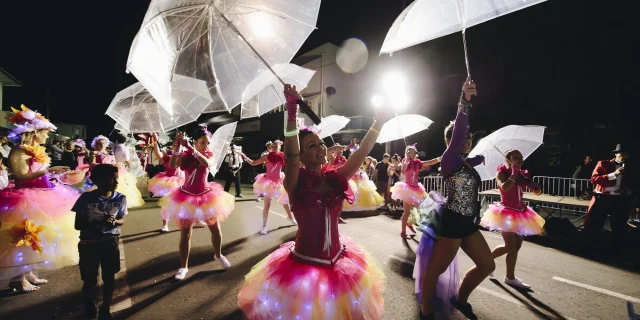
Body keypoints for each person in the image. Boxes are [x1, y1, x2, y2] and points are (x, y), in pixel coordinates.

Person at [237, 84, 385, 319]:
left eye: (320, 142)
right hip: (304, 269)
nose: (320, 147)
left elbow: (360, 155)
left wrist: (378, 123)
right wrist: (292, 112)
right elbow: (291, 157)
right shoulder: (295, 183)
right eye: (312, 145)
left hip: (340, 262)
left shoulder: (335, 179)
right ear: (301, 154)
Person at [418, 77, 494, 320]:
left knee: (487, 266)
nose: (467, 138)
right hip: (452, 224)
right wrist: (465, 101)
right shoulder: (449, 159)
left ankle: (460, 298)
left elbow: (471, 160)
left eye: (469, 137)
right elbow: (460, 130)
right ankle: (426, 308)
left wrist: (480, 159)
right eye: (462, 137)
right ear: (452, 141)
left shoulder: (463, 161)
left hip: (469, 224)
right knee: (435, 270)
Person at [0, 105, 78, 293]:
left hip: (42, 195)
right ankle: (18, 279)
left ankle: (28, 272)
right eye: (45, 132)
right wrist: (48, 170)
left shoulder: (36, 150)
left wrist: (56, 176)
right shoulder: (19, 151)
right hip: (24, 199)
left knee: (39, 236)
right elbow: (20, 177)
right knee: (24, 236)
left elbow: (38, 174)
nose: (47, 136)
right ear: (35, 132)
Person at [159, 127, 236, 280]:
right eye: (202, 143)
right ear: (195, 142)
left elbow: (207, 164)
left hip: (206, 196)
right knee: (185, 234)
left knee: (216, 230)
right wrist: (177, 147)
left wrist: (190, 148)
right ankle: (183, 266)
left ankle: (218, 255)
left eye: (207, 143)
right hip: (186, 197)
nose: (206, 146)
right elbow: (173, 165)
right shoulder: (185, 155)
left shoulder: (208, 154)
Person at [479, 149, 544, 289]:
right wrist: (514, 173)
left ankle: (509, 277)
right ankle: (485, 262)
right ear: (507, 160)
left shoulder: (522, 174)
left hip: (522, 213)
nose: (520, 159)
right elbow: (505, 188)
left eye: (521, 157)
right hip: (506, 213)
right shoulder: (501, 173)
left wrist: (534, 186)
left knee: (516, 247)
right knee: (510, 246)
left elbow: (536, 191)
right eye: (516, 157)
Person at [72, 164, 127, 320]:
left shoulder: (120, 198)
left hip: (110, 242)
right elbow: (78, 225)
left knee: (109, 277)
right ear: (97, 180)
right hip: (88, 244)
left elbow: (122, 220)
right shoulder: (86, 198)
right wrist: (100, 221)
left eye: (116, 178)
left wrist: (114, 222)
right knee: (89, 280)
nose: (116, 182)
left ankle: (105, 308)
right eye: (112, 179)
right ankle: (90, 310)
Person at [585, 144, 636, 250]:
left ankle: (616, 250)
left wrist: (627, 192)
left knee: (619, 226)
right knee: (595, 224)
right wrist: (614, 174)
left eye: (627, 154)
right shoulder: (603, 163)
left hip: (619, 199)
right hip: (602, 198)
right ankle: (591, 248)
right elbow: (594, 179)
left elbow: (633, 184)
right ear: (616, 154)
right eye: (623, 153)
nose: (625, 156)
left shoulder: (630, 168)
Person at [242, 140, 297, 235]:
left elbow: (292, 164)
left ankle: (290, 218)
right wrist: (245, 157)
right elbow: (254, 163)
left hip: (280, 181)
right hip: (268, 182)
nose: (274, 147)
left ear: (280, 147)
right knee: (267, 205)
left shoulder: (282, 157)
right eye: (273, 146)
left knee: (285, 202)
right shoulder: (266, 157)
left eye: (276, 146)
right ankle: (264, 226)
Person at [390, 144, 440, 238]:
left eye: (414, 152)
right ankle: (403, 232)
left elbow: (429, 162)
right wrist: (407, 160)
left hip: (417, 189)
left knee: (420, 209)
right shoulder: (405, 161)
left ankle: (410, 222)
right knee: (407, 211)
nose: (412, 154)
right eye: (410, 152)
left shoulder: (418, 162)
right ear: (407, 153)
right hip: (407, 189)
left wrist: (439, 158)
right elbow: (403, 170)